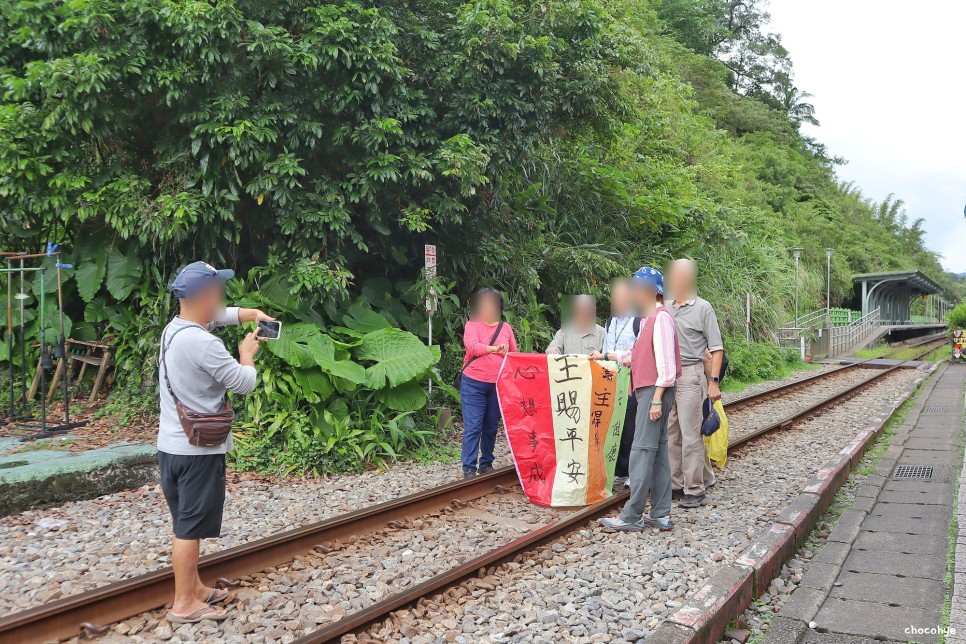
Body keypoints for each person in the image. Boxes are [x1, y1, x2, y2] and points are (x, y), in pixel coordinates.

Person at [158, 261, 274, 623]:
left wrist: (252, 313)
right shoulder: (204, 344)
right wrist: (247, 356)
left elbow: (219, 317)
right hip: (198, 451)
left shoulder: (176, 329)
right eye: (218, 291)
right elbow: (243, 382)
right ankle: (184, 605)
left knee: (184, 521)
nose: (222, 298)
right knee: (189, 528)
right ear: (204, 295)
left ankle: (194, 589)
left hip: (172, 445)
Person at [599, 267, 681, 532]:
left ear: (648, 291)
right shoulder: (649, 320)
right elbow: (635, 355)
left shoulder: (661, 320)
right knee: (657, 455)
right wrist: (605, 356)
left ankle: (632, 515)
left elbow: (667, 366)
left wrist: (657, 398)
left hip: (653, 391)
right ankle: (660, 514)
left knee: (641, 451)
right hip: (650, 390)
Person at [665, 259, 724, 509]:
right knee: (670, 433)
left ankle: (695, 489)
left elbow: (717, 348)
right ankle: (675, 484)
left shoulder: (703, 308)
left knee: (691, 434)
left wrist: (713, 382)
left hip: (691, 373)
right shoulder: (666, 307)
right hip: (668, 375)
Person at [460, 288, 518, 479]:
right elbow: (473, 347)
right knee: (473, 426)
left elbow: (514, 355)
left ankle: (486, 464)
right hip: (473, 383)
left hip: (497, 384)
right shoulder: (472, 325)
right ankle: (469, 467)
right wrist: (494, 348)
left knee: (491, 426)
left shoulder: (506, 328)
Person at [589, 279, 641, 481]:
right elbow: (606, 348)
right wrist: (601, 356)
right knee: (613, 423)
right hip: (611, 381)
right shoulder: (610, 321)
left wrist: (609, 355)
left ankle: (632, 471)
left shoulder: (639, 320)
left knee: (630, 427)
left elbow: (639, 352)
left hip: (632, 382)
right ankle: (619, 469)